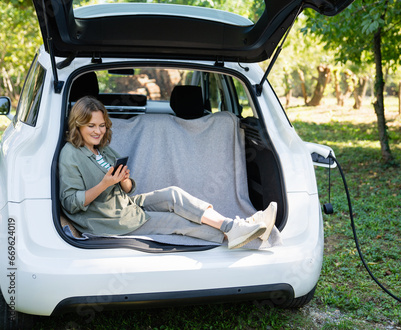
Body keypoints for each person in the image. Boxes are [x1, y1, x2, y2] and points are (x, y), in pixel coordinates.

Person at [59, 96, 277, 249]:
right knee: (177, 222)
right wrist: (105, 184)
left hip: (124, 204)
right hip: (108, 220)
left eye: (102, 125)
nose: (98, 131)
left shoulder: (101, 148)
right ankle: (246, 235)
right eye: (91, 126)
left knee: (173, 194)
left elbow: (127, 188)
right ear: (77, 125)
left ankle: (235, 227)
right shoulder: (70, 154)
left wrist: (123, 180)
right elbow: (70, 202)